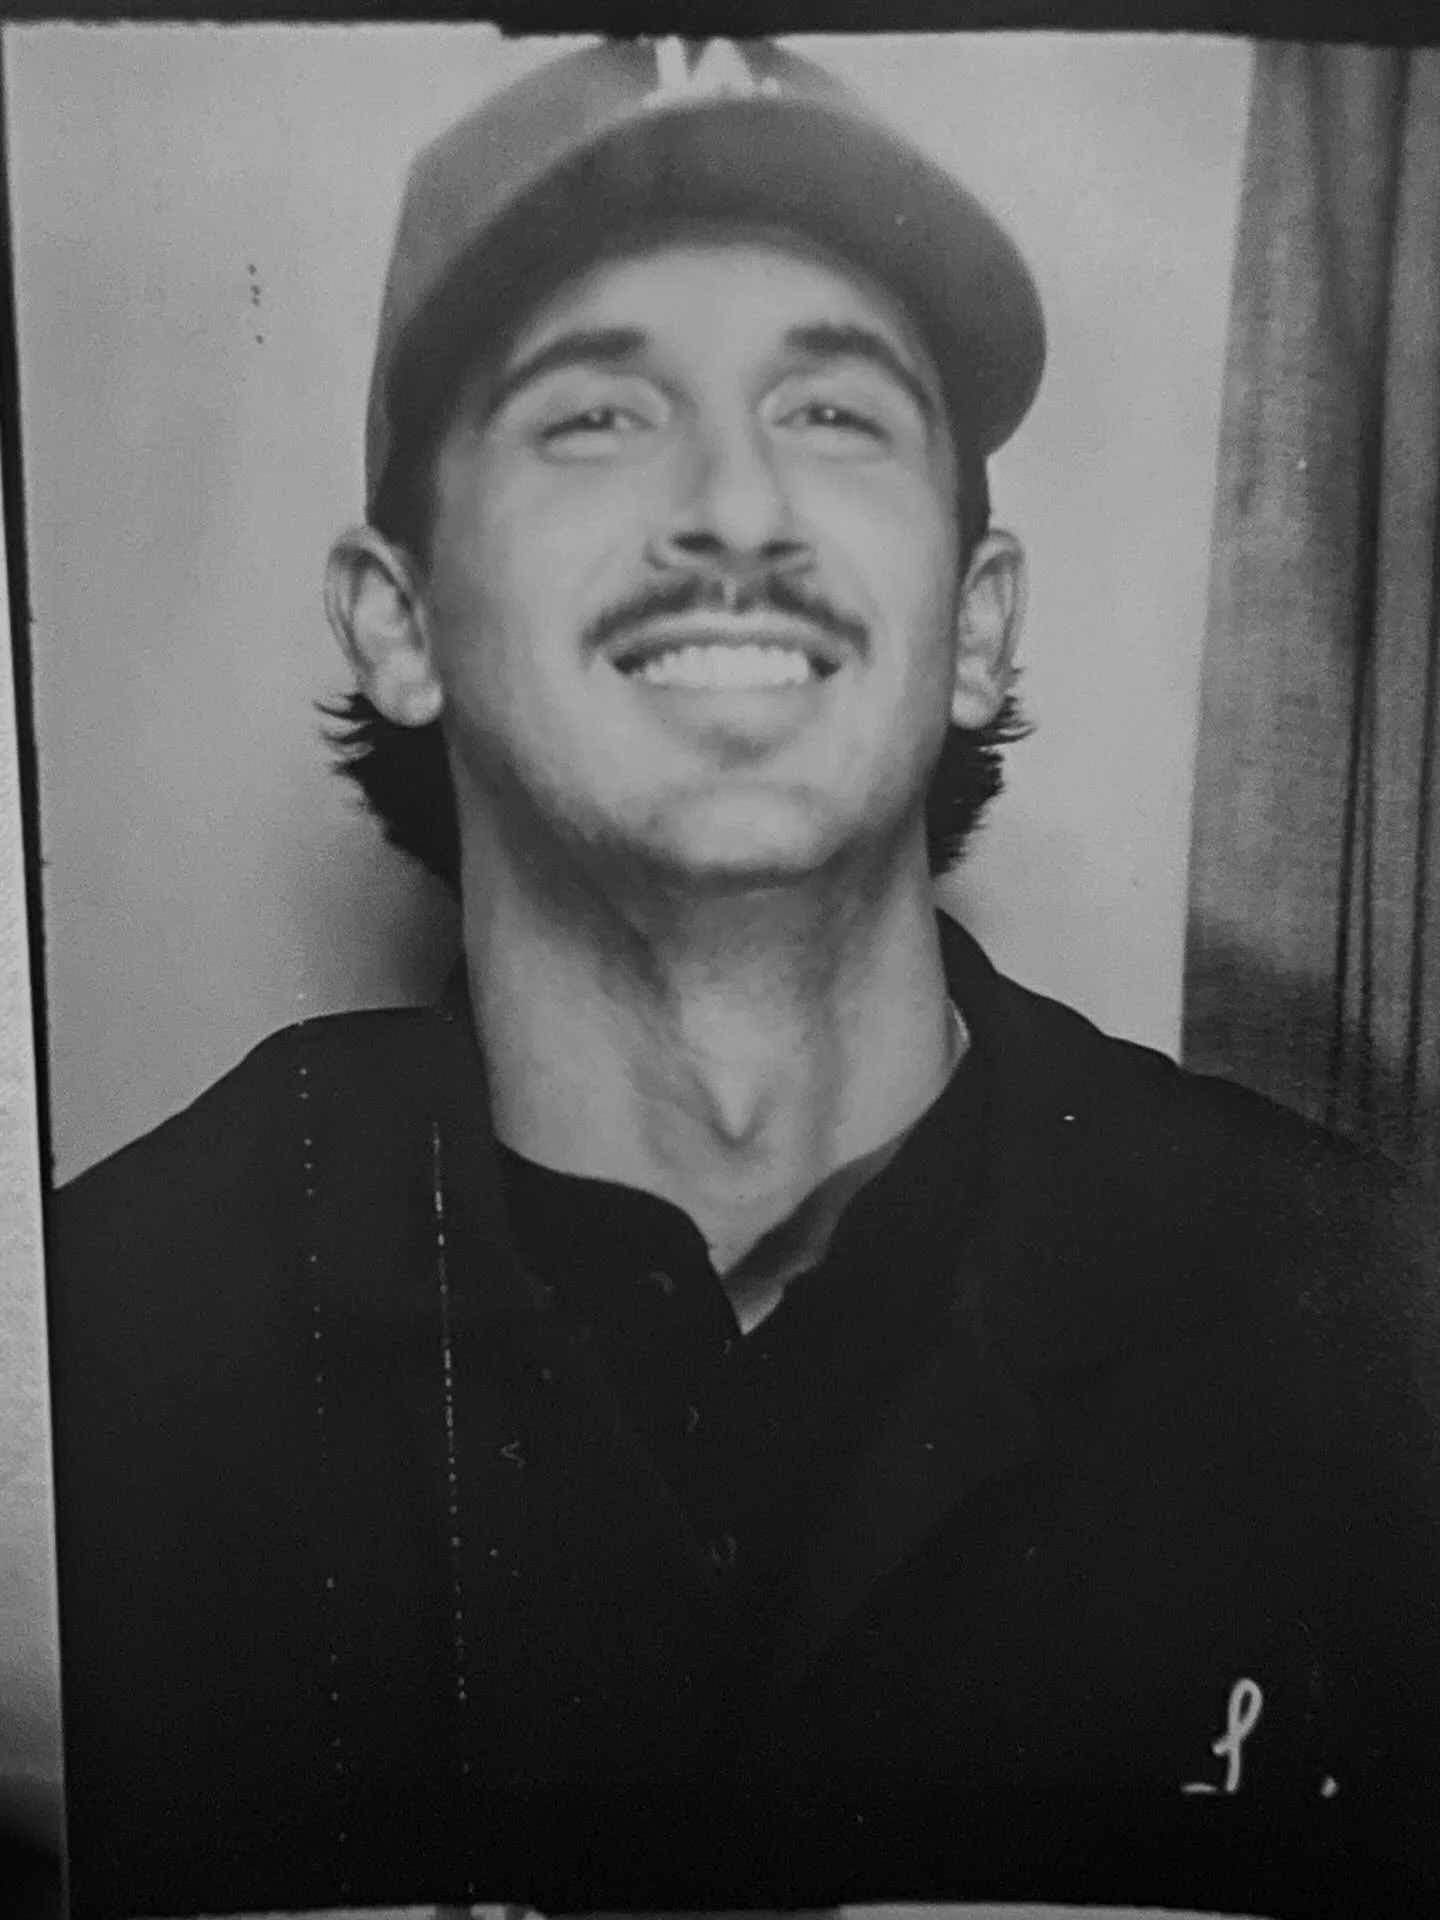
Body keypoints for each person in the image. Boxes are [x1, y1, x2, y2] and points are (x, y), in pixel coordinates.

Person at [46, 35, 1439, 1920]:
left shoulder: (1369, 1354)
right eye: (596, 415)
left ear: (978, 618)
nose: (736, 508)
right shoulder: (92, 1378)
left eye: (837, 412)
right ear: (398, 618)